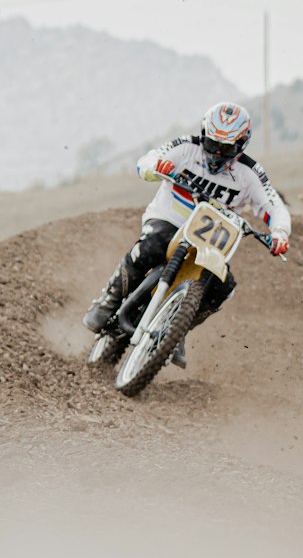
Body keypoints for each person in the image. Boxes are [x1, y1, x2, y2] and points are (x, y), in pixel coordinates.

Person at [82, 102, 291, 369]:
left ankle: (177, 329)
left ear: (240, 146)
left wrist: (279, 233)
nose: (215, 152)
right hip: (169, 219)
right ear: (203, 135)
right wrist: (156, 166)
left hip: (209, 241)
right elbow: (148, 161)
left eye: (225, 148)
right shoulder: (186, 148)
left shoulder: (249, 174)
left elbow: (274, 206)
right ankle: (108, 301)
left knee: (223, 288)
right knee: (152, 246)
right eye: (211, 143)